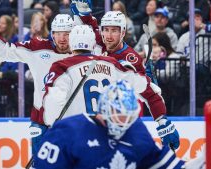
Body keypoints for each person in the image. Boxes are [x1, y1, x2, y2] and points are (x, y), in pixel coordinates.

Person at [40, 25, 179, 151]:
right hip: (108, 140)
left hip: (76, 140)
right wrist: (162, 121)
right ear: (93, 44)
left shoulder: (61, 67)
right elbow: (150, 91)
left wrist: (52, 129)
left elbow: (52, 107)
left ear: (71, 44)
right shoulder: (112, 64)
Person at [70, 0, 179, 149]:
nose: (108, 35)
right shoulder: (100, 39)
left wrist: (163, 122)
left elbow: (150, 94)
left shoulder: (130, 59)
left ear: (122, 32)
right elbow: (91, 26)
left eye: (114, 30)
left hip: (119, 122)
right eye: (106, 30)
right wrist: (84, 13)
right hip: (91, 119)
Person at [0, 12, 74, 156]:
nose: (62, 39)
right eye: (58, 33)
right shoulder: (37, 47)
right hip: (42, 121)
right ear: (52, 33)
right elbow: (5, 52)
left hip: (72, 119)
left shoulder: (83, 54)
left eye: (67, 34)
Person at [34, 79, 184, 169]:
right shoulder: (66, 131)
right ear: (105, 108)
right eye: (119, 113)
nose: (125, 121)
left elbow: (161, 163)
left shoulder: (136, 129)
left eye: (129, 115)